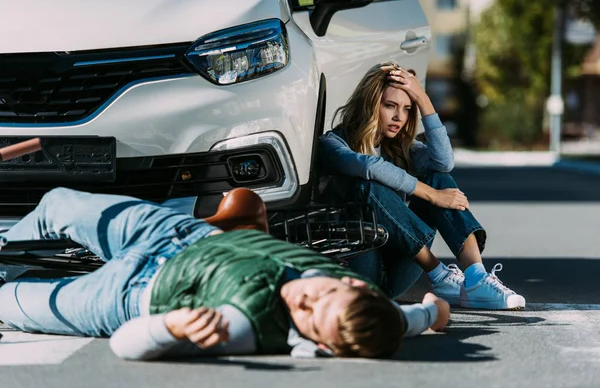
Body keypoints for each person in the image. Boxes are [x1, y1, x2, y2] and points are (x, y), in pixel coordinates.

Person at [0, 187, 450, 360]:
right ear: (351, 282)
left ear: (319, 343)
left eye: (310, 319)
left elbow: (127, 344)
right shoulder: (367, 307)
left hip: (125, 296)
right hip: (177, 236)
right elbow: (410, 318)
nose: (302, 301)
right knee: (59, 202)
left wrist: (168, 327)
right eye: (321, 294)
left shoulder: (243, 328)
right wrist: (432, 313)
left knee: (9, 302)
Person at [318, 61, 525, 310]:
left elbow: (444, 163)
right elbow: (370, 167)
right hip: (360, 272)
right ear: (370, 104)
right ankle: (440, 276)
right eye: (390, 106)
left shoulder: (400, 148)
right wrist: (432, 196)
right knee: (369, 188)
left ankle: (476, 278)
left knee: (438, 178)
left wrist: (424, 100)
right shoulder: (334, 143)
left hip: (399, 269)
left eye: (407, 109)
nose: (399, 117)